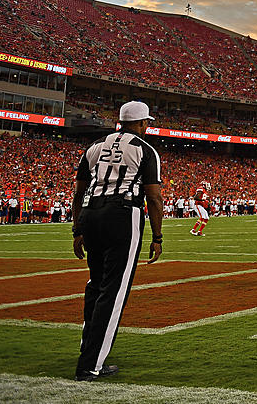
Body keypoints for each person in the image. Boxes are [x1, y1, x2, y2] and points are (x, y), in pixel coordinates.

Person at [71, 100, 163, 382]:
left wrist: (77, 230)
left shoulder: (94, 146)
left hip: (91, 213)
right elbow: (154, 197)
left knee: (95, 286)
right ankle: (90, 364)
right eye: (146, 122)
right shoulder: (145, 150)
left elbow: (79, 192)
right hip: (122, 215)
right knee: (114, 291)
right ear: (141, 123)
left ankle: (89, 351)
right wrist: (157, 236)